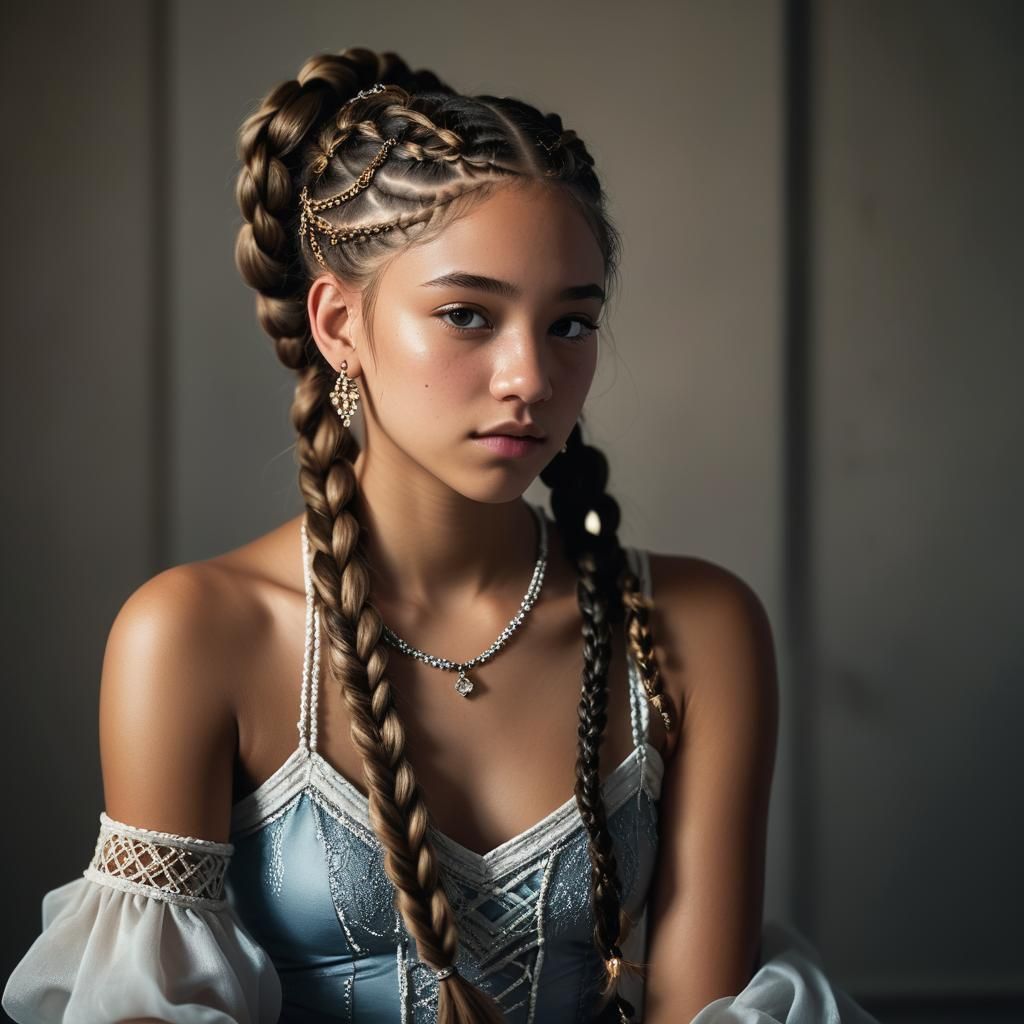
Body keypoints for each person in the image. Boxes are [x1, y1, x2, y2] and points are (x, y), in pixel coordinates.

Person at [2, 47, 880, 1024]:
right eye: (467, 314)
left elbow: (696, 1006)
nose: (530, 377)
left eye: (570, 325)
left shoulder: (693, 627)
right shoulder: (192, 634)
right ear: (339, 323)